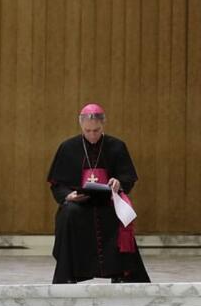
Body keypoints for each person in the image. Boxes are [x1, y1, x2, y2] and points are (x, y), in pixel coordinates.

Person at [46, 103, 149, 284]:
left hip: (109, 201)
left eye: (96, 130)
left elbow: (127, 177)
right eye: (88, 131)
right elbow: (57, 184)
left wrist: (118, 183)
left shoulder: (116, 146)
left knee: (120, 216)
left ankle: (122, 273)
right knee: (69, 213)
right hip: (79, 202)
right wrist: (68, 196)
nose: (92, 135)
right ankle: (69, 274)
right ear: (81, 126)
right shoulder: (68, 147)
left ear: (103, 125)